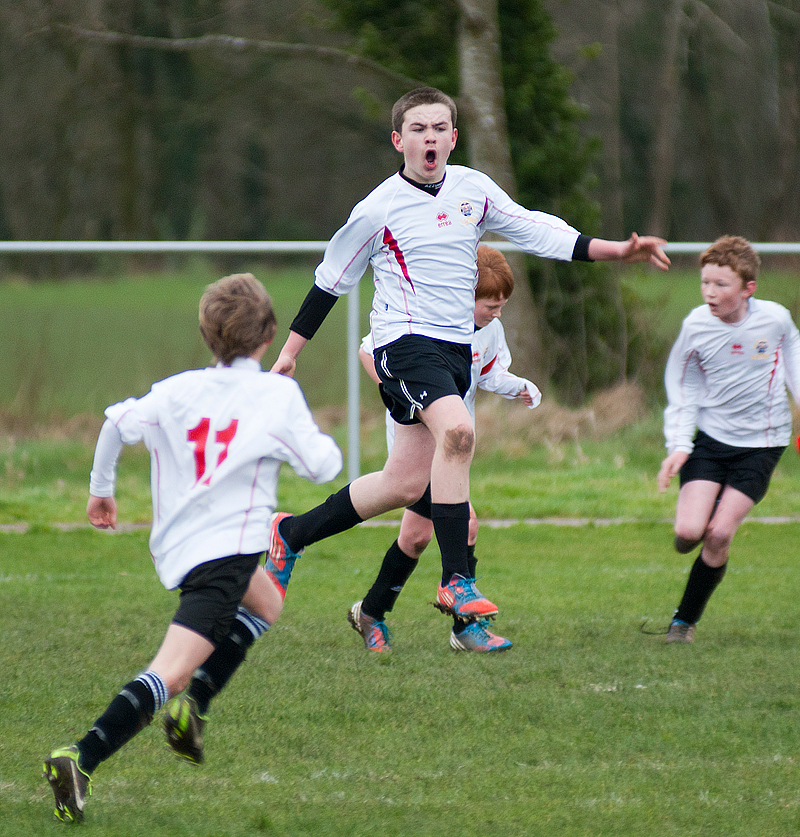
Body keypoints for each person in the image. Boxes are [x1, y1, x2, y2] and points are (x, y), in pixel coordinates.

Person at [268, 85, 669, 630]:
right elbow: (328, 282)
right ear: (398, 140)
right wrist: (290, 354)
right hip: (402, 345)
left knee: (405, 483)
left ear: (453, 138)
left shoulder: (472, 190)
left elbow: (536, 228)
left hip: (454, 351)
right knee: (458, 433)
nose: (429, 137)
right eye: (418, 129)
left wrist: (614, 250)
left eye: (439, 128)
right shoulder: (377, 208)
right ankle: (458, 581)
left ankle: (290, 534)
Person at [42, 273, 342, 824]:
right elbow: (324, 466)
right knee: (170, 671)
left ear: (208, 334)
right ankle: (82, 756)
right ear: (270, 333)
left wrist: (101, 489)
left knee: (267, 603)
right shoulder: (276, 394)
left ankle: (194, 707)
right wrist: (304, 434)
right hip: (224, 552)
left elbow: (114, 422)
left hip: (180, 545)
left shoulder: (176, 389)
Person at [349, 244, 540, 653]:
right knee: (465, 522)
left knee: (416, 536)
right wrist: (396, 389)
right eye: (490, 305)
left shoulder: (490, 329)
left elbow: (489, 372)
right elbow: (369, 350)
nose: (497, 313)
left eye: (502, 305)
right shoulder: (426, 319)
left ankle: (370, 612)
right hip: (416, 440)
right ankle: (465, 628)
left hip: (452, 443)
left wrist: (518, 386)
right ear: (461, 296)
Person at [657, 236, 800, 643]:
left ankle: (683, 623)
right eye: (705, 283)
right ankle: (696, 527)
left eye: (721, 285)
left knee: (719, 534)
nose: (710, 293)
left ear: (747, 289)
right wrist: (679, 446)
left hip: (763, 443)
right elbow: (682, 388)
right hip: (713, 441)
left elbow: (794, 357)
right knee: (688, 533)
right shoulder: (695, 326)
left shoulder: (774, 320)